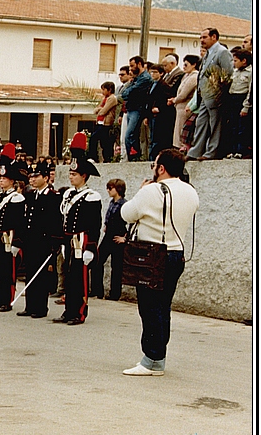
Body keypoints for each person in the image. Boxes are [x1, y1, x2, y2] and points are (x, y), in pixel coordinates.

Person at [120, 149, 199, 376]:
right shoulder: (190, 191)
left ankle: (152, 359)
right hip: (176, 254)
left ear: (161, 168)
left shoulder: (152, 191)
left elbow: (127, 213)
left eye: (154, 166)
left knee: (149, 308)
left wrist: (142, 191)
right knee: (163, 307)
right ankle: (158, 356)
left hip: (152, 256)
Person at [54, 133, 103, 326]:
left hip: (82, 241)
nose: (70, 177)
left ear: (84, 176)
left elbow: (94, 225)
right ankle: (68, 311)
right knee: (69, 276)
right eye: (70, 174)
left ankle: (79, 312)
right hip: (69, 241)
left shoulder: (91, 196)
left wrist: (91, 248)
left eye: (74, 174)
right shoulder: (68, 194)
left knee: (80, 279)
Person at [18, 160, 63, 319]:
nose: (32, 179)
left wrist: (54, 243)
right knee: (30, 272)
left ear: (46, 178)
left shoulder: (53, 196)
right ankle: (30, 305)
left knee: (41, 274)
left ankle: (40, 307)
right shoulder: (30, 195)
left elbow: (56, 221)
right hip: (31, 240)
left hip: (44, 241)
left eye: (36, 176)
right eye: (31, 176)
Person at [0, 144, 27, 313]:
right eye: (0, 178)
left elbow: (18, 222)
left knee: (9, 270)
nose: (1, 180)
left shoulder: (17, 198)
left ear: (12, 180)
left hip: (10, 236)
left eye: (4, 179)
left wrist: (16, 242)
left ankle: (7, 300)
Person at [187, 27, 234, 161]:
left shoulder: (222, 52)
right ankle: (195, 152)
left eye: (204, 37)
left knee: (215, 125)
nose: (201, 40)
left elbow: (228, 73)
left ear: (214, 37)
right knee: (201, 123)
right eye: (200, 37)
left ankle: (211, 152)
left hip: (215, 96)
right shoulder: (208, 54)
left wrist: (220, 92)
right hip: (204, 96)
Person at [94, 178, 127, 301]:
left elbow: (130, 223)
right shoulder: (112, 202)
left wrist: (125, 238)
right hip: (109, 236)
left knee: (117, 267)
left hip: (117, 236)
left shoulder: (124, 204)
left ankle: (115, 294)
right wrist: (106, 225)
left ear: (117, 189)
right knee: (97, 261)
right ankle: (98, 290)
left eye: (110, 188)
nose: (108, 190)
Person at [224, 49, 252, 158]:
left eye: (235, 61)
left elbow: (251, 90)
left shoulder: (251, 72)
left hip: (242, 99)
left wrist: (246, 106)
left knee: (241, 127)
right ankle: (232, 149)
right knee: (232, 126)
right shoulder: (235, 72)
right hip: (232, 99)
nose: (233, 63)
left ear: (244, 61)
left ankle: (241, 150)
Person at [170, 55, 200, 150]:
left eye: (186, 64)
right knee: (177, 133)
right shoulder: (186, 76)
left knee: (181, 133)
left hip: (185, 108)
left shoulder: (194, 76)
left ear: (194, 65)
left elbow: (183, 94)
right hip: (179, 108)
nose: (184, 66)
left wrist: (174, 100)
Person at [88, 81, 118, 162]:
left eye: (104, 90)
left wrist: (100, 109)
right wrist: (100, 109)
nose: (102, 92)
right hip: (100, 122)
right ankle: (106, 159)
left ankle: (94, 157)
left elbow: (103, 111)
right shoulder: (104, 99)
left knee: (94, 138)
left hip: (106, 123)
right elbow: (96, 110)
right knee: (103, 142)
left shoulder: (112, 98)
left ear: (109, 89)